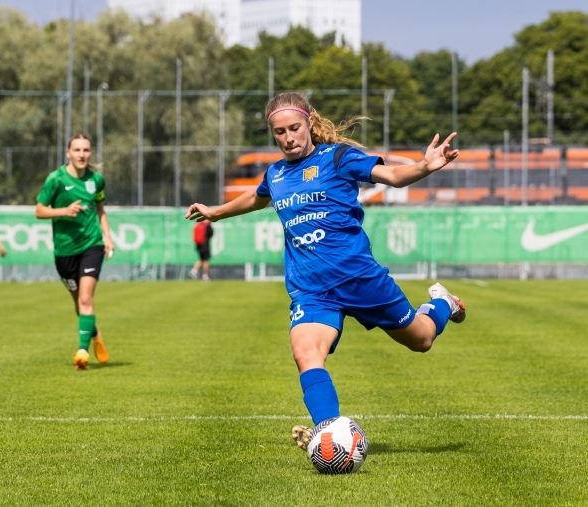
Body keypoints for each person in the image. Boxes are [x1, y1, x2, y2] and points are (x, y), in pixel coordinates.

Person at [185, 92, 466, 449]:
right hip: (311, 290)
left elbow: (391, 175)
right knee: (305, 353)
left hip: (361, 279)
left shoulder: (337, 158)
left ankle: (442, 303)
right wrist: (216, 211)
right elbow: (257, 197)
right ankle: (331, 438)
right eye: (280, 132)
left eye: (294, 128)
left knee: (422, 339)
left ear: (309, 123)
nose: (288, 138)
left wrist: (425, 166)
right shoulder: (276, 174)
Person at [35, 134, 115, 370]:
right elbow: (39, 210)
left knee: (86, 298)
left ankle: (82, 351)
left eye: (86, 150)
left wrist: (107, 237)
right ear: (67, 153)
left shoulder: (96, 180)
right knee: (78, 304)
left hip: (92, 244)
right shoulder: (56, 179)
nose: (82, 154)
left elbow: (100, 209)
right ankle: (95, 333)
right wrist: (63, 211)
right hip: (64, 251)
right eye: (77, 150)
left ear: (90, 153)